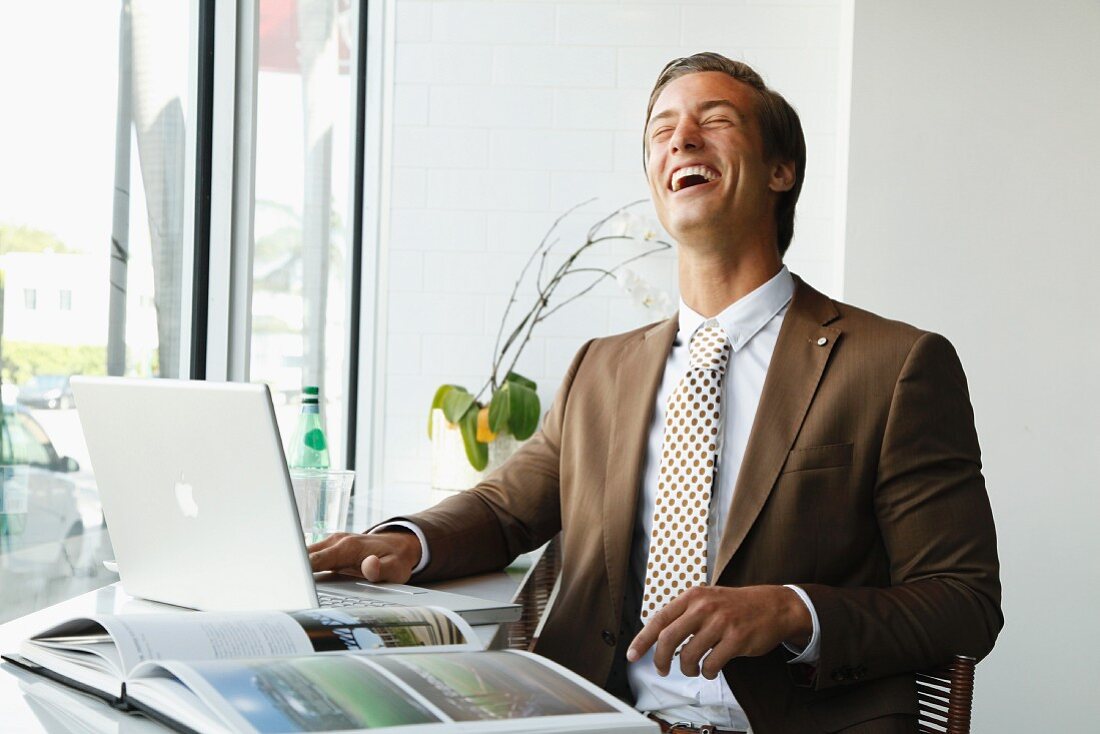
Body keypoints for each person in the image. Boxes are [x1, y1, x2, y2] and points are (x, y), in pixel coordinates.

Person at [308, 52, 1002, 734]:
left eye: (715, 119)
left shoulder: (894, 365)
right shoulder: (600, 369)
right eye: (661, 131)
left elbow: (964, 600)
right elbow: (503, 510)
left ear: (780, 170)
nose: (681, 139)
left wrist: (792, 611)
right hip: (597, 718)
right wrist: (408, 542)